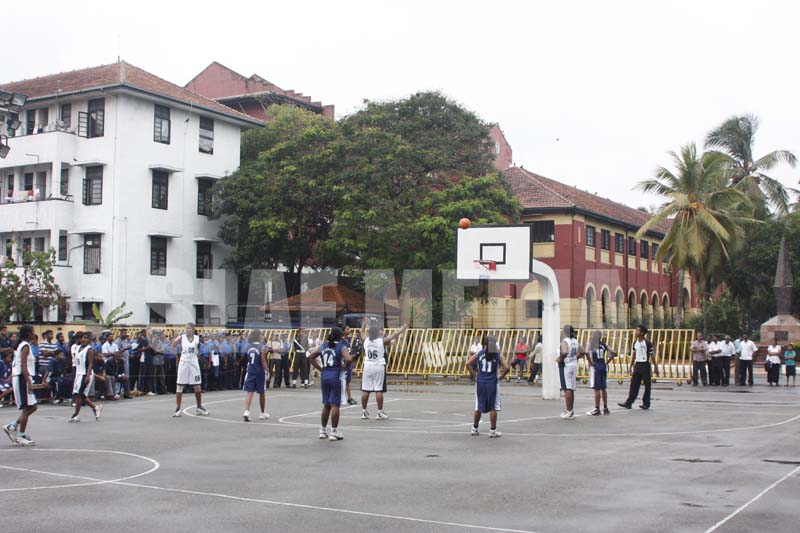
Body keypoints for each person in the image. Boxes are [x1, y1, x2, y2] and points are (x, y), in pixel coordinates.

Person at [308, 327, 352, 441]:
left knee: (326, 404)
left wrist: (320, 368)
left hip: (325, 375)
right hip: (336, 374)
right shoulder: (341, 347)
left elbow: (311, 357)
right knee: (335, 404)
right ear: (340, 336)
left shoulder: (323, 345)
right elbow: (348, 359)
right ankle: (334, 431)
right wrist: (344, 367)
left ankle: (322, 430)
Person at [360, 321, 408, 420]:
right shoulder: (381, 341)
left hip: (367, 366)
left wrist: (363, 324)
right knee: (378, 389)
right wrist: (402, 329)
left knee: (365, 389)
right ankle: (379, 412)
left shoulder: (366, 340)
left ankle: (364, 412)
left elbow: (362, 333)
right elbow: (393, 336)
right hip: (378, 365)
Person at [466, 335, 509, 437]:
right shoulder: (498, 355)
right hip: (492, 383)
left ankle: (474, 428)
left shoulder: (479, 353)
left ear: (485, 344)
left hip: (480, 382)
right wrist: (501, 377)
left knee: (478, 406)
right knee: (493, 407)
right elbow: (507, 368)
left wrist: (475, 375)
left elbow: (467, 364)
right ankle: (493, 431)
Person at [3, 325, 38, 446]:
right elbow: (23, 365)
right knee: (26, 407)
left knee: (33, 407)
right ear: (28, 333)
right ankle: (20, 436)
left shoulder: (21, 345)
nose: (34, 333)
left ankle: (12, 426)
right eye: (33, 331)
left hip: (21, 377)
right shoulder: (25, 346)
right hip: (22, 378)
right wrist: (28, 382)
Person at [172, 323, 209, 417]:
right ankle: (178, 409)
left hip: (193, 362)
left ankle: (199, 407)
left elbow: (199, 349)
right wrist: (177, 356)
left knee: (197, 385)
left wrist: (198, 355)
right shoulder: (181, 337)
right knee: (180, 385)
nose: (187, 330)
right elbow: (173, 345)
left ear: (193, 329)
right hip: (184, 362)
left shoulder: (197, 338)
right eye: (186, 328)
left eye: (188, 328)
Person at [618, 325, 658, 410]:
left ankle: (646, 403)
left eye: (638, 331)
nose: (636, 332)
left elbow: (652, 355)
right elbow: (634, 354)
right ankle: (629, 403)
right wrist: (631, 365)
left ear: (642, 333)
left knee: (647, 385)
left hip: (645, 365)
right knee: (634, 384)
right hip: (638, 365)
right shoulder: (635, 342)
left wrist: (655, 366)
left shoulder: (647, 343)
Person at [69, 332, 102, 422]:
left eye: (87, 338)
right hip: (78, 373)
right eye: (83, 338)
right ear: (80, 339)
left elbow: (91, 363)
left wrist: (87, 376)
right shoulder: (78, 348)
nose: (85, 340)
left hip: (86, 373)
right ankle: (95, 408)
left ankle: (76, 414)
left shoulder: (89, 350)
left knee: (79, 394)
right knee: (79, 394)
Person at [557, 325, 586, 420]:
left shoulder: (565, 341)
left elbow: (564, 352)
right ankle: (570, 410)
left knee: (567, 388)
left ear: (565, 332)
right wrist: (575, 357)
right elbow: (583, 352)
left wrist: (560, 358)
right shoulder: (575, 341)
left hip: (566, 365)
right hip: (573, 364)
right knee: (571, 388)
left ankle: (569, 412)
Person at [242, 331, 270, 421]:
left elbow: (248, 359)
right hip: (259, 372)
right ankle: (262, 413)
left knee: (249, 392)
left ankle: (246, 411)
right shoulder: (262, 347)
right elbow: (263, 361)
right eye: (261, 335)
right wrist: (267, 371)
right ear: (258, 336)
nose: (262, 336)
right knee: (262, 392)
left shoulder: (248, 346)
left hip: (250, 371)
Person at [587, 332, 616, 415]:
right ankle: (605, 407)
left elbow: (586, 352)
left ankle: (597, 408)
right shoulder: (604, 345)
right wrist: (607, 361)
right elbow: (614, 352)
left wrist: (590, 362)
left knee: (596, 388)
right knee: (603, 388)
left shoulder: (591, 345)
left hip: (596, 367)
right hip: (603, 365)